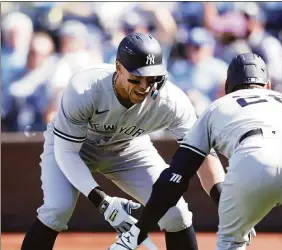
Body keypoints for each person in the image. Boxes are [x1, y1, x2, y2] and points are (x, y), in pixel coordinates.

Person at [109, 53, 282, 250]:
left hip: (251, 162)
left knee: (231, 245)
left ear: (227, 88)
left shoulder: (219, 106)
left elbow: (176, 177)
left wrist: (139, 230)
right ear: (267, 86)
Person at [20, 33, 227, 250]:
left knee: (176, 214)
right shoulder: (85, 88)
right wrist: (102, 202)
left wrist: (226, 204)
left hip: (128, 146)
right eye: (136, 78)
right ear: (118, 68)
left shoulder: (172, 101)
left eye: (153, 78)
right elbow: (67, 151)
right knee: (57, 210)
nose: (144, 87)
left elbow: (201, 154)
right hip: (74, 147)